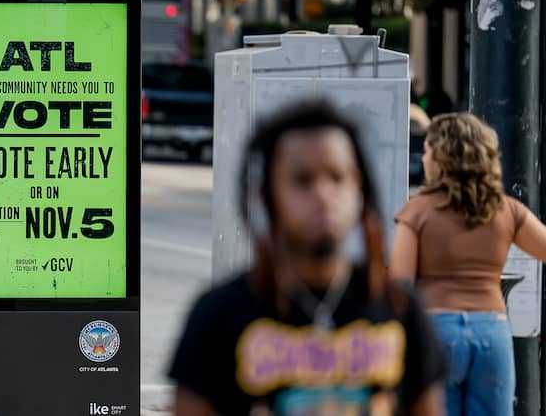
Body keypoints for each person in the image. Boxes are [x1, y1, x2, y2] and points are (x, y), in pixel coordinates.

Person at [169, 100, 446, 416]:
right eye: (303, 180)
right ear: (268, 194)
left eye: (337, 178)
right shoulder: (219, 315)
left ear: (360, 190)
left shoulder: (399, 308)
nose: (323, 194)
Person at [390, 112, 546, 415]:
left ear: (441, 157)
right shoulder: (507, 210)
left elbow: (400, 286)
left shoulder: (417, 212)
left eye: (427, 151)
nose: (423, 160)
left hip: (436, 334)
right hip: (492, 333)